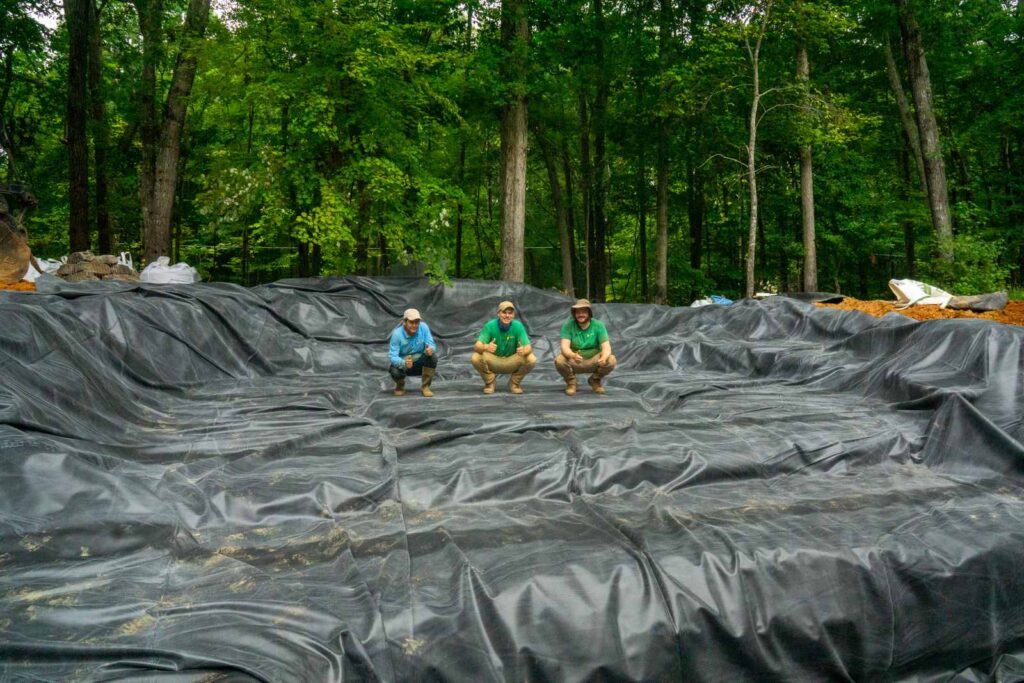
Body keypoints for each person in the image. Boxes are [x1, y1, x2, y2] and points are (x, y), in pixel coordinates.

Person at [471, 301, 537, 394]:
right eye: (504, 312)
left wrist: (524, 350)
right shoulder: (489, 326)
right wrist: (486, 347)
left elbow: (528, 347)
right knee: (475, 357)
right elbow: (477, 346)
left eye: (510, 313)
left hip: (511, 361)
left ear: (513, 315)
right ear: (498, 313)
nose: (507, 316)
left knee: (531, 359)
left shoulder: (518, 326)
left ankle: (514, 383)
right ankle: (490, 382)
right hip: (494, 360)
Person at [554, 298, 616, 395]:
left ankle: (595, 380)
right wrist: (572, 355)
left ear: (589, 313)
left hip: (594, 360)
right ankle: (571, 383)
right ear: (574, 314)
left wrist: (603, 358)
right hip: (575, 360)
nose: (580, 314)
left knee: (611, 360)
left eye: (583, 312)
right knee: (559, 360)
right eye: (577, 312)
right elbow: (564, 347)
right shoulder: (568, 325)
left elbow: (606, 347)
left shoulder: (598, 325)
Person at [388, 308, 438, 397]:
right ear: (404, 322)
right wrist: (403, 363)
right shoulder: (397, 334)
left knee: (433, 357)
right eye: (411, 322)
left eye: (417, 322)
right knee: (394, 370)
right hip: (404, 365)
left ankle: (425, 386)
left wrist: (430, 350)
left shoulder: (424, 327)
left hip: (419, 362)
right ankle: (400, 385)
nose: (414, 325)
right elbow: (392, 356)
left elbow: (432, 345)